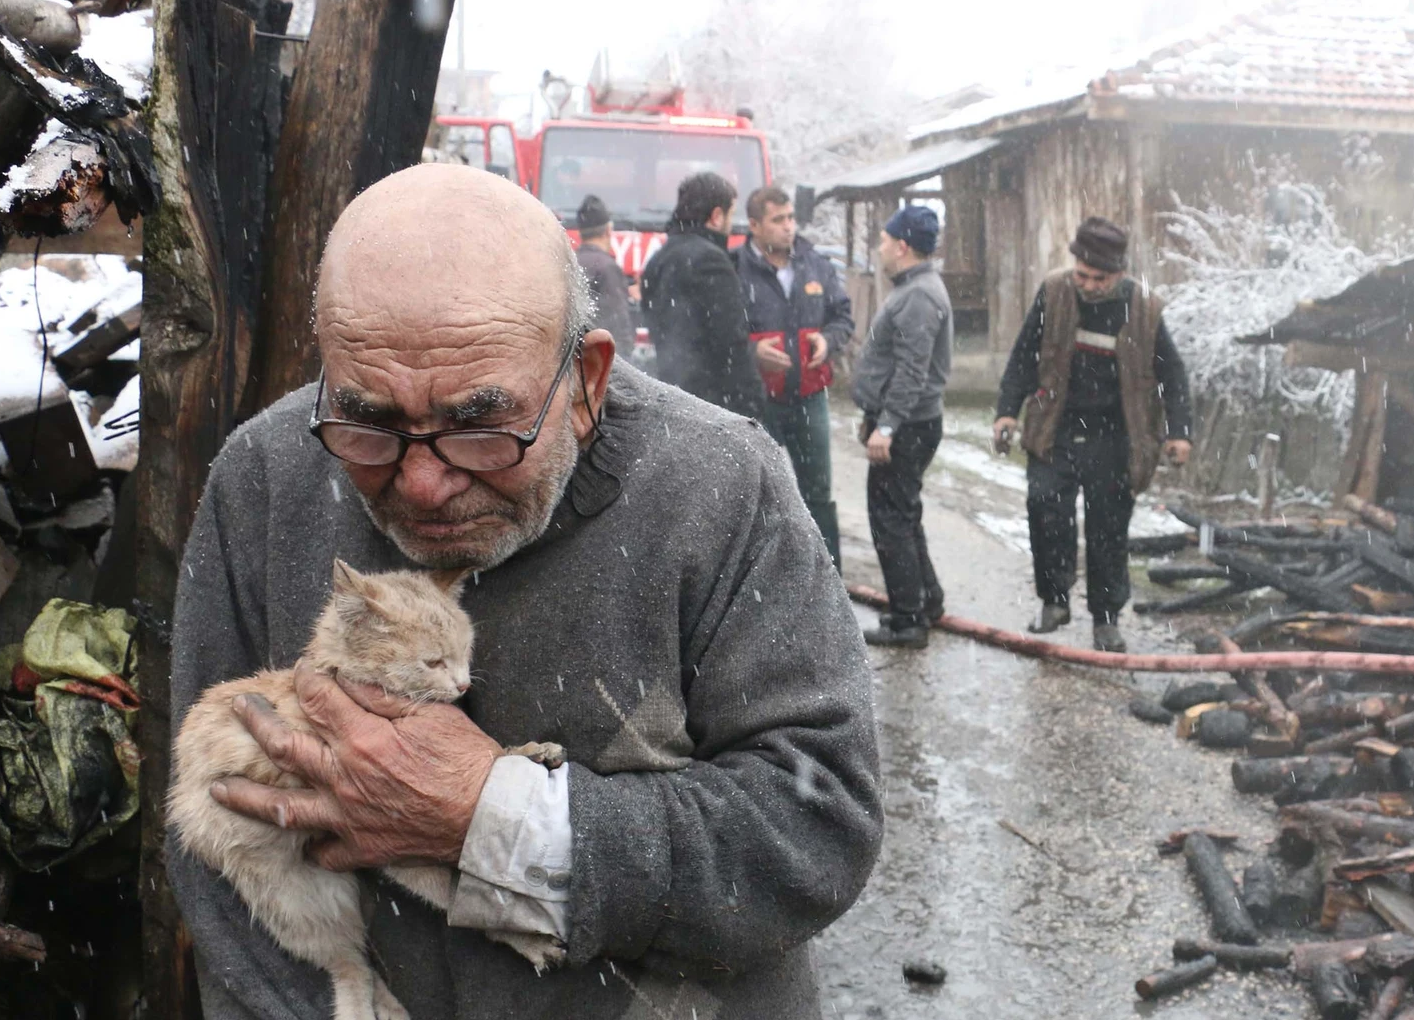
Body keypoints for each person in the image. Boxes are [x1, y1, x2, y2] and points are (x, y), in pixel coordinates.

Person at [168, 164, 881, 1019]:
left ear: (585, 383)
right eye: (370, 423)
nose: (424, 483)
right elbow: (210, 860)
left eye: (479, 426)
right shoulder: (266, 477)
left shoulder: (724, 488)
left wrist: (493, 819)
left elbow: (818, 830)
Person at [993, 216, 1192, 653]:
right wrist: (1007, 411)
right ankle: (1054, 601)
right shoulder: (1055, 292)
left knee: (1107, 530)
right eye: (1082, 274)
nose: (1088, 284)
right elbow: (1024, 354)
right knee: (1044, 508)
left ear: (1119, 273)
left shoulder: (1144, 309)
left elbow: (1172, 375)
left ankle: (1106, 619)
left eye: (1099, 278)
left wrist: (1180, 431)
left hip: (1116, 435)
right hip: (1056, 427)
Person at [735, 185, 853, 570]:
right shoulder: (735, 268)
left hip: (809, 397)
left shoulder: (814, 263)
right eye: (778, 220)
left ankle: (830, 576)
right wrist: (752, 353)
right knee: (754, 493)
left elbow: (842, 316)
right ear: (754, 225)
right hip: (759, 402)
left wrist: (829, 339)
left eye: (791, 218)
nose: (789, 227)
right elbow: (721, 334)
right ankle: (763, 577)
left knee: (818, 493)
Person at [850, 205, 951, 648]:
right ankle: (925, 601)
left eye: (885, 241)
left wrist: (887, 426)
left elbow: (913, 370)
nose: (880, 248)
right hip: (907, 421)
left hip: (908, 425)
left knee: (890, 519)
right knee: (903, 513)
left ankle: (909, 620)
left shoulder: (919, 296)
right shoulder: (915, 289)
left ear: (903, 246)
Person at [640, 171, 763, 416]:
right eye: (730, 215)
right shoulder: (712, 261)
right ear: (716, 216)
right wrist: (752, 402)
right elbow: (731, 343)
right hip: (714, 405)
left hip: (672, 400)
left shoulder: (657, 260)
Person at [573, 194, 638, 343]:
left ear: (580, 232)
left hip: (575, 354)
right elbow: (618, 323)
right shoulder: (608, 268)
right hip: (600, 355)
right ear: (608, 231)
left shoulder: (570, 262)